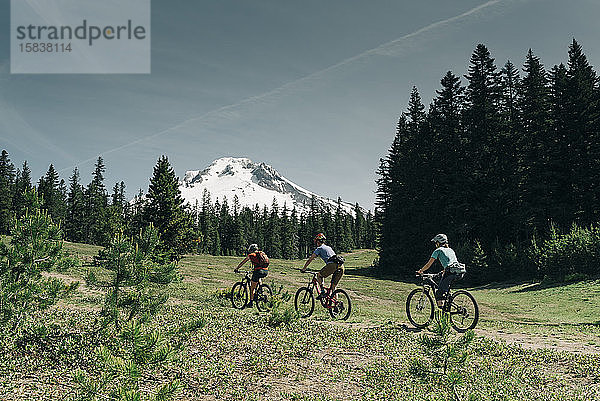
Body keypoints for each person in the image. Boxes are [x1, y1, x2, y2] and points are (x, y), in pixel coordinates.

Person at [416, 233, 466, 308]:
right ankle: (447, 306)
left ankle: (442, 315)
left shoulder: (438, 250)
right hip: (459, 272)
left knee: (439, 294)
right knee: (444, 292)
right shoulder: (450, 250)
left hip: (450, 272)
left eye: (436, 242)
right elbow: (451, 263)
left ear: (438, 242)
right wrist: (443, 271)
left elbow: (428, 265)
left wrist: (421, 271)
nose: (435, 244)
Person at [301, 233, 345, 299]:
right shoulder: (328, 247)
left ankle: (322, 292)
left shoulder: (319, 249)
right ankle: (337, 304)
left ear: (318, 241)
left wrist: (304, 268)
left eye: (316, 241)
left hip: (332, 265)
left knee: (319, 275)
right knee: (333, 286)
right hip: (341, 266)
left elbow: (310, 259)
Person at [234, 244, 269, 308]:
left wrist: (237, 268)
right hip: (265, 271)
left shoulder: (251, 255)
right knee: (258, 278)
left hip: (258, 271)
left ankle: (251, 302)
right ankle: (261, 290)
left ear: (251, 250)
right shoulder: (261, 254)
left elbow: (243, 262)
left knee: (252, 287)